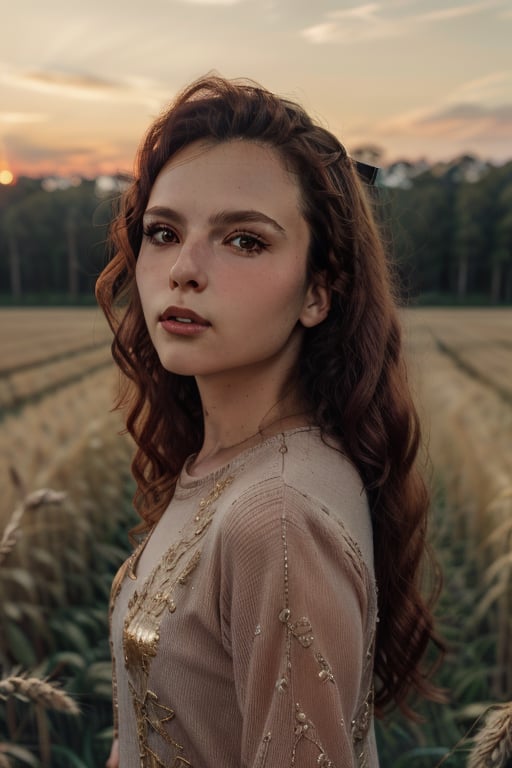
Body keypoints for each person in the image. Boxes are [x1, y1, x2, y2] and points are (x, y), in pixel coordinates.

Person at [96, 74, 443, 768]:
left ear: (318, 291)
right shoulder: (234, 464)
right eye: (163, 232)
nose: (184, 270)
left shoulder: (275, 517)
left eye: (244, 241)